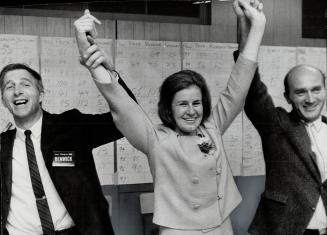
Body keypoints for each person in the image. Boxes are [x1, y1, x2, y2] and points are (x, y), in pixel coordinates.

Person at [75, 0, 265, 234]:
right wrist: (88, 51)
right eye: (182, 104)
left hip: (221, 225)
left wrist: (257, 27)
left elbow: (239, 86)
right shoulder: (156, 138)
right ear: (169, 108)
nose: (192, 110)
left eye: (196, 103)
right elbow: (120, 103)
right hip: (178, 230)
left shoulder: (212, 127)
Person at [0, 15, 136, 235]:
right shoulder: (2, 145)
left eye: (25, 84)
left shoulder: (71, 126)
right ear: (4, 100)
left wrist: (103, 68)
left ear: (41, 93)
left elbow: (126, 120)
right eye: (9, 87)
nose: (17, 91)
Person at [235, 2, 327, 235]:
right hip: (283, 230)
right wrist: (247, 26)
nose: (310, 98)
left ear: (325, 91)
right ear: (287, 97)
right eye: (300, 92)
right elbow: (251, 87)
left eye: (316, 89)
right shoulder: (277, 125)